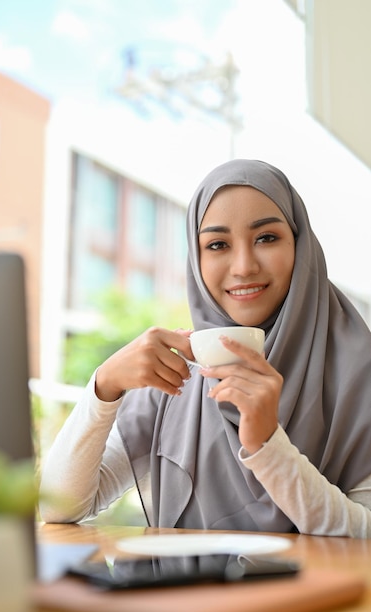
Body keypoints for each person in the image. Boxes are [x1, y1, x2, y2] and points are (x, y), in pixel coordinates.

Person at [40, 159, 371, 537]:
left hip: (323, 597)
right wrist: (105, 386)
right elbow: (59, 505)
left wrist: (268, 444)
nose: (244, 266)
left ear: (300, 244)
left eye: (266, 238)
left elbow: (365, 533)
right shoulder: (180, 377)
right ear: (196, 262)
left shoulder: (358, 372)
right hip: (187, 595)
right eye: (217, 245)